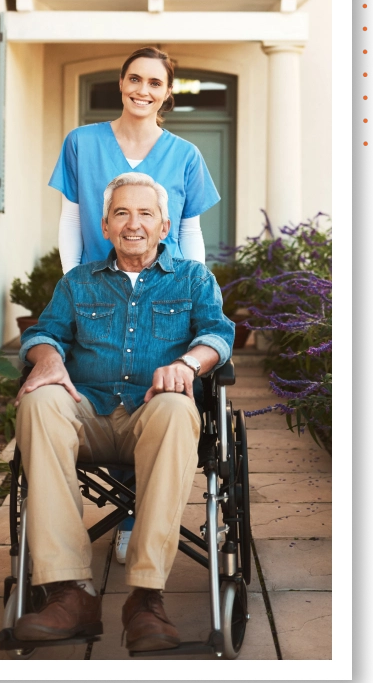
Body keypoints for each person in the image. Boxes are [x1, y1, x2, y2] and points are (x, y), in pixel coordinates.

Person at [13, 174, 234, 652]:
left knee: (178, 407)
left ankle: (146, 598)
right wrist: (47, 356)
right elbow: (42, 333)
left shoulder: (194, 279)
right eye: (121, 214)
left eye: (145, 214)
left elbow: (218, 335)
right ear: (106, 226)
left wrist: (186, 364)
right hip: (87, 413)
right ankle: (70, 592)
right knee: (40, 400)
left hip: (153, 417)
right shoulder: (77, 283)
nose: (133, 224)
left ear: (164, 226)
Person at [51, 46, 221, 563]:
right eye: (134, 79)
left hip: (160, 292)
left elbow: (189, 232)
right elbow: (69, 220)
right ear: (120, 83)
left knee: (152, 380)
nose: (142, 90)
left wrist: (191, 289)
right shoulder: (82, 143)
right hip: (97, 293)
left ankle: (134, 516)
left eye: (154, 83)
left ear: (168, 93)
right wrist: (77, 289)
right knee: (104, 378)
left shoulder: (185, 154)